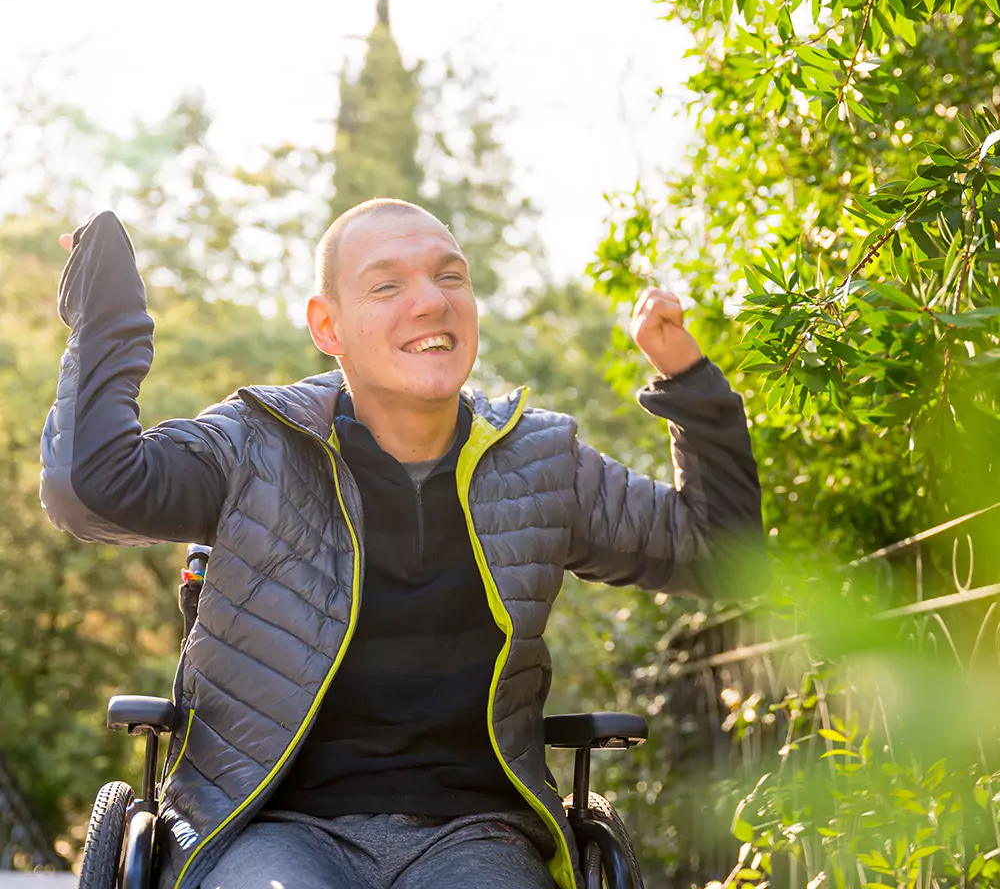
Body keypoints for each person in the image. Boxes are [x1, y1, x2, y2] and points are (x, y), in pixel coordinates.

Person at [40, 199, 765, 889]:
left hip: (474, 834)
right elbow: (90, 489)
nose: (431, 300)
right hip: (266, 827)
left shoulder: (540, 460)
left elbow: (718, 553)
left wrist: (687, 380)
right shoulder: (254, 443)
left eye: (451, 276)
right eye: (387, 285)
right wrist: (110, 312)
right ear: (328, 326)